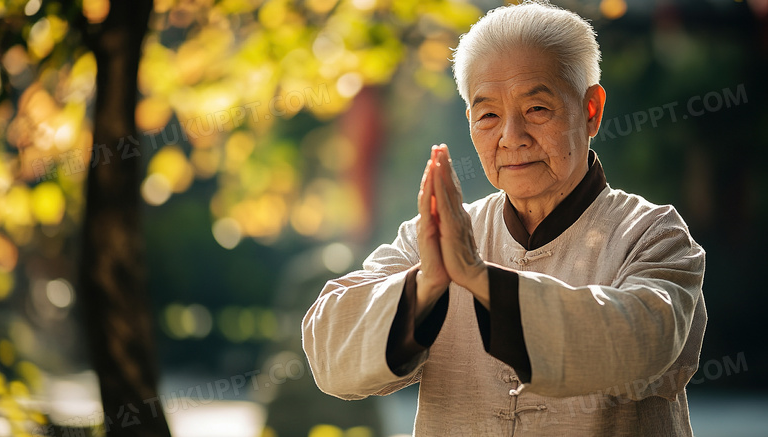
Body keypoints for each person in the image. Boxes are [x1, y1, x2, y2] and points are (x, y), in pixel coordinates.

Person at [302, 1, 707, 435]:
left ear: (591, 110)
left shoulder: (652, 234)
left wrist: (478, 279)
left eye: (537, 109)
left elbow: (644, 343)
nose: (511, 137)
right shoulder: (439, 237)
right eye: (489, 115)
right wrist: (425, 287)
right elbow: (329, 350)